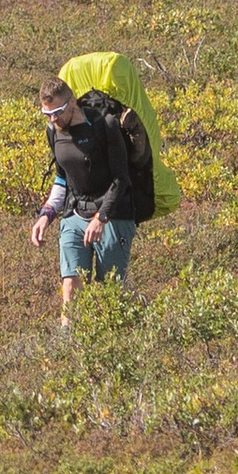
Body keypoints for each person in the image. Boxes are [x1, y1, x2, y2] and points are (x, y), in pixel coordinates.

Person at [30, 78, 137, 321]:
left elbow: (121, 179)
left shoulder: (105, 125)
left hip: (113, 216)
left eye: (57, 112)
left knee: (108, 289)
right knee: (70, 284)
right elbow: (61, 178)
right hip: (75, 214)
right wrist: (46, 215)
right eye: (46, 114)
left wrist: (101, 218)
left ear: (72, 103)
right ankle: (66, 345)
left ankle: (120, 333)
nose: (52, 120)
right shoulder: (52, 132)